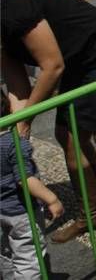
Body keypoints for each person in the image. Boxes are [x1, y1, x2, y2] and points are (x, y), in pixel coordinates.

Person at [0, 0, 96, 257]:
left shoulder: (11, 9)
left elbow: (52, 66)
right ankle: (92, 214)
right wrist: (17, 128)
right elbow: (17, 86)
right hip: (76, 59)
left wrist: (27, 122)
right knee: (67, 134)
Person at [1, 94, 64, 280]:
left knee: (5, 250)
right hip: (21, 212)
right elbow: (24, 178)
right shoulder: (15, 144)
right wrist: (51, 199)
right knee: (28, 256)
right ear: (10, 110)